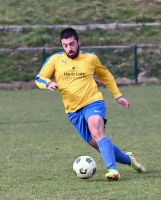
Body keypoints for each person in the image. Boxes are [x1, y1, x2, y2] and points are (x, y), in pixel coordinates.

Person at [35, 28, 145, 180]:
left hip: (93, 102)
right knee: (100, 145)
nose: (69, 48)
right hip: (73, 111)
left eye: (72, 44)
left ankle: (113, 170)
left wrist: (118, 95)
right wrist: (47, 84)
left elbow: (105, 76)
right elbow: (39, 78)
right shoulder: (55, 59)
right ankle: (129, 160)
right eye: (65, 45)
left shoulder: (90, 58)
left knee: (97, 131)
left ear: (79, 42)